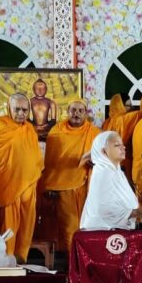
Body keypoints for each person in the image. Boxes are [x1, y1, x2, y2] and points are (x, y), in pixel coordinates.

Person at [0, 93, 44, 262]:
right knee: (8, 225)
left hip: (28, 186)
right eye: (17, 109)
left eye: (24, 110)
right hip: (7, 186)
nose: (20, 113)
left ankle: (21, 257)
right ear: (8, 108)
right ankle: (6, 258)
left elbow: (35, 156)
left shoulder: (29, 129)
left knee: (26, 224)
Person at [43, 100, 100, 250]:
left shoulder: (94, 133)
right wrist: (49, 185)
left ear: (86, 113)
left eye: (81, 111)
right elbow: (50, 162)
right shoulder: (56, 132)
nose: (77, 114)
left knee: (88, 225)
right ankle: (73, 260)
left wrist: (95, 162)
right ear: (67, 112)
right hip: (64, 186)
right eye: (73, 110)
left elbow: (103, 157)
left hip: (88, 186)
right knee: (70, 227)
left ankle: (84, 258)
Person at [80, 131, 140, 230]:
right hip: (103, 232)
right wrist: (135, 213)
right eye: (117, 145)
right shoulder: (104, 173)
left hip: (116, 229)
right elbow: (103, 209)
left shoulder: (115, 171)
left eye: (122, 144)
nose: (123, 147)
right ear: (104, 151)